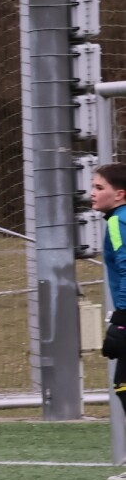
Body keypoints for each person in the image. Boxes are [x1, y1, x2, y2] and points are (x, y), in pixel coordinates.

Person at [92, 163, 126, 418]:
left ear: (119, 194)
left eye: (99, 187)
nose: (92, 193)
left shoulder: (117, 222)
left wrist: (122, 320)